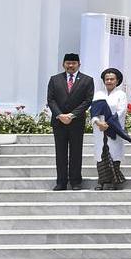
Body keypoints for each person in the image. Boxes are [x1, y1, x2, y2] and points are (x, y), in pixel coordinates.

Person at [47, 53, 95, 190]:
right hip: (59, 122)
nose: (70, 65)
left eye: (73, 63)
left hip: (76, 122)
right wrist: (60, 115)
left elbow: (88, 100)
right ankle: (61, 182)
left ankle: (75, 181)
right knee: (60, 153)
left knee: (76, 152)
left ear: (79, 64)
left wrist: (72, 115)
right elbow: (51, 100)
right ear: (63, 64)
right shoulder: (54, 79)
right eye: (68, 63)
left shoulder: (87, 80)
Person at [91, 68, 130, 190]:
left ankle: (114, 181)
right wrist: (98, 123)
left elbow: (121, 111)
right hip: (100, 129)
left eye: (112, 79)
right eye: (106, 79)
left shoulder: (121, 95)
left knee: (114, 154)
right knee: (101, 154)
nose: (109, 81)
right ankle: (101, 181)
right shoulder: (98, 94)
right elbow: (93, 111)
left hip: (114, 129)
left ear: (117, 80)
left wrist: (108, 123)